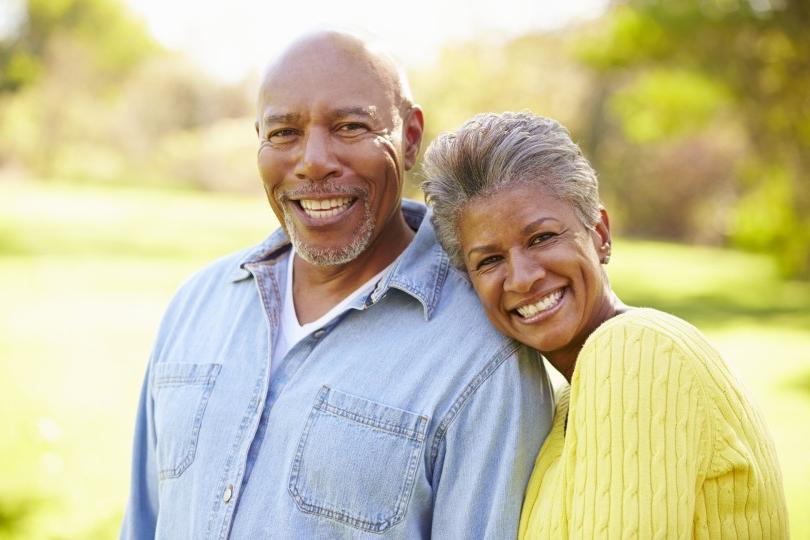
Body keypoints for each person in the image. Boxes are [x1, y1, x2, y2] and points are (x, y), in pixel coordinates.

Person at [121, 34, 554, 539]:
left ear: (410, 137)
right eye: (284, 133)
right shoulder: (197, 305)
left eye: (350, 127)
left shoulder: (484, 355)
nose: (314, 161)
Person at [422, 111, 788, 539]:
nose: (522, 278)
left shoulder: (637, 351)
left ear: (600, 234)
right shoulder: (568, 400)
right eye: (490, 260)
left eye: (541, 238)